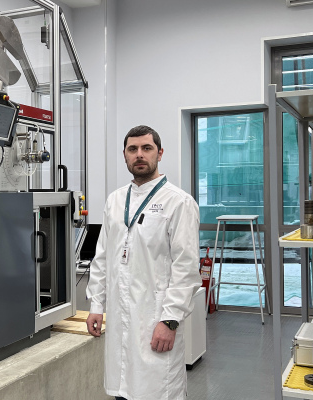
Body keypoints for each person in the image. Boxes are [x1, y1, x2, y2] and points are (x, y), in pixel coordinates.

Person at [86, 125, 201, 400]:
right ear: (125, 155)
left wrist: (170, 321)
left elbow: (186, 269)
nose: (139, 154)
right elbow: (102, 257)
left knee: (156, 391)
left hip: (156, 320)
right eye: (133, 149)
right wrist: (96, 305)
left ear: (159, 154)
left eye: (147, 148)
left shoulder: (179, 202)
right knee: (122, 391)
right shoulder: (115, 200)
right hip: (119, 322)